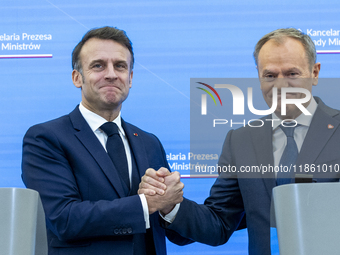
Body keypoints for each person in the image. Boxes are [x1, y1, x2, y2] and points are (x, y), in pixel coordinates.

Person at [138, 28, 340, 255]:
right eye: (270, 75)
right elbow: (219, 222)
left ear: (315, 72)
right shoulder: (241, 140)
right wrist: (170, 205)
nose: (281, 85)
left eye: (292, 74)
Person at [21, 26, 185, 255]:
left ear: (130, 78)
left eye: (120, 66)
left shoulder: (150, 142)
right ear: (77, 77)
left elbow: (177, 234)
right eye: (98, 65)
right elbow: (64, 219)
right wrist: (146, 204)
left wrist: (169, 206)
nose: (111, 74)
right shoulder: (45, 138)